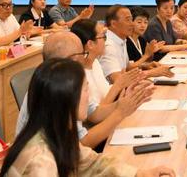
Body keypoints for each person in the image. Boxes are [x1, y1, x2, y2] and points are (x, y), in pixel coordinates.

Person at [1, 58, 175, 177]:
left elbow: (92, 163)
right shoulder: (41, 163)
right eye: (85, 89)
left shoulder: (54, 131)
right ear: (66, 97)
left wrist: (140, 173)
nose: (89, 95)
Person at [16, 31, 153, 150]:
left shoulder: (64, 80)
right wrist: (120, 112)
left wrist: (123, 103)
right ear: (72, 59)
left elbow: (95, 113)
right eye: (83, 53)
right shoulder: (56, 90)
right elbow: (82, 143)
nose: (85, 57)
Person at [71, 19, 141, 105]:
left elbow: (105, 94)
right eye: (103, 37)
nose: (106, 41)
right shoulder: (78, 73)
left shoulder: (95, 63)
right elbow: (95, 111)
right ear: (90, 44)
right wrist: (118, 85)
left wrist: (125, 87)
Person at [99, 5, 173, 85]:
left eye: (131, 19)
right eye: (128, 20)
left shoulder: (121, 40)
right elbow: (118, 81)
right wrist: (151, 73)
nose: (132, 24)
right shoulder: (109, 46)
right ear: (114, 24)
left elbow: (127, 68)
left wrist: (145, 66)